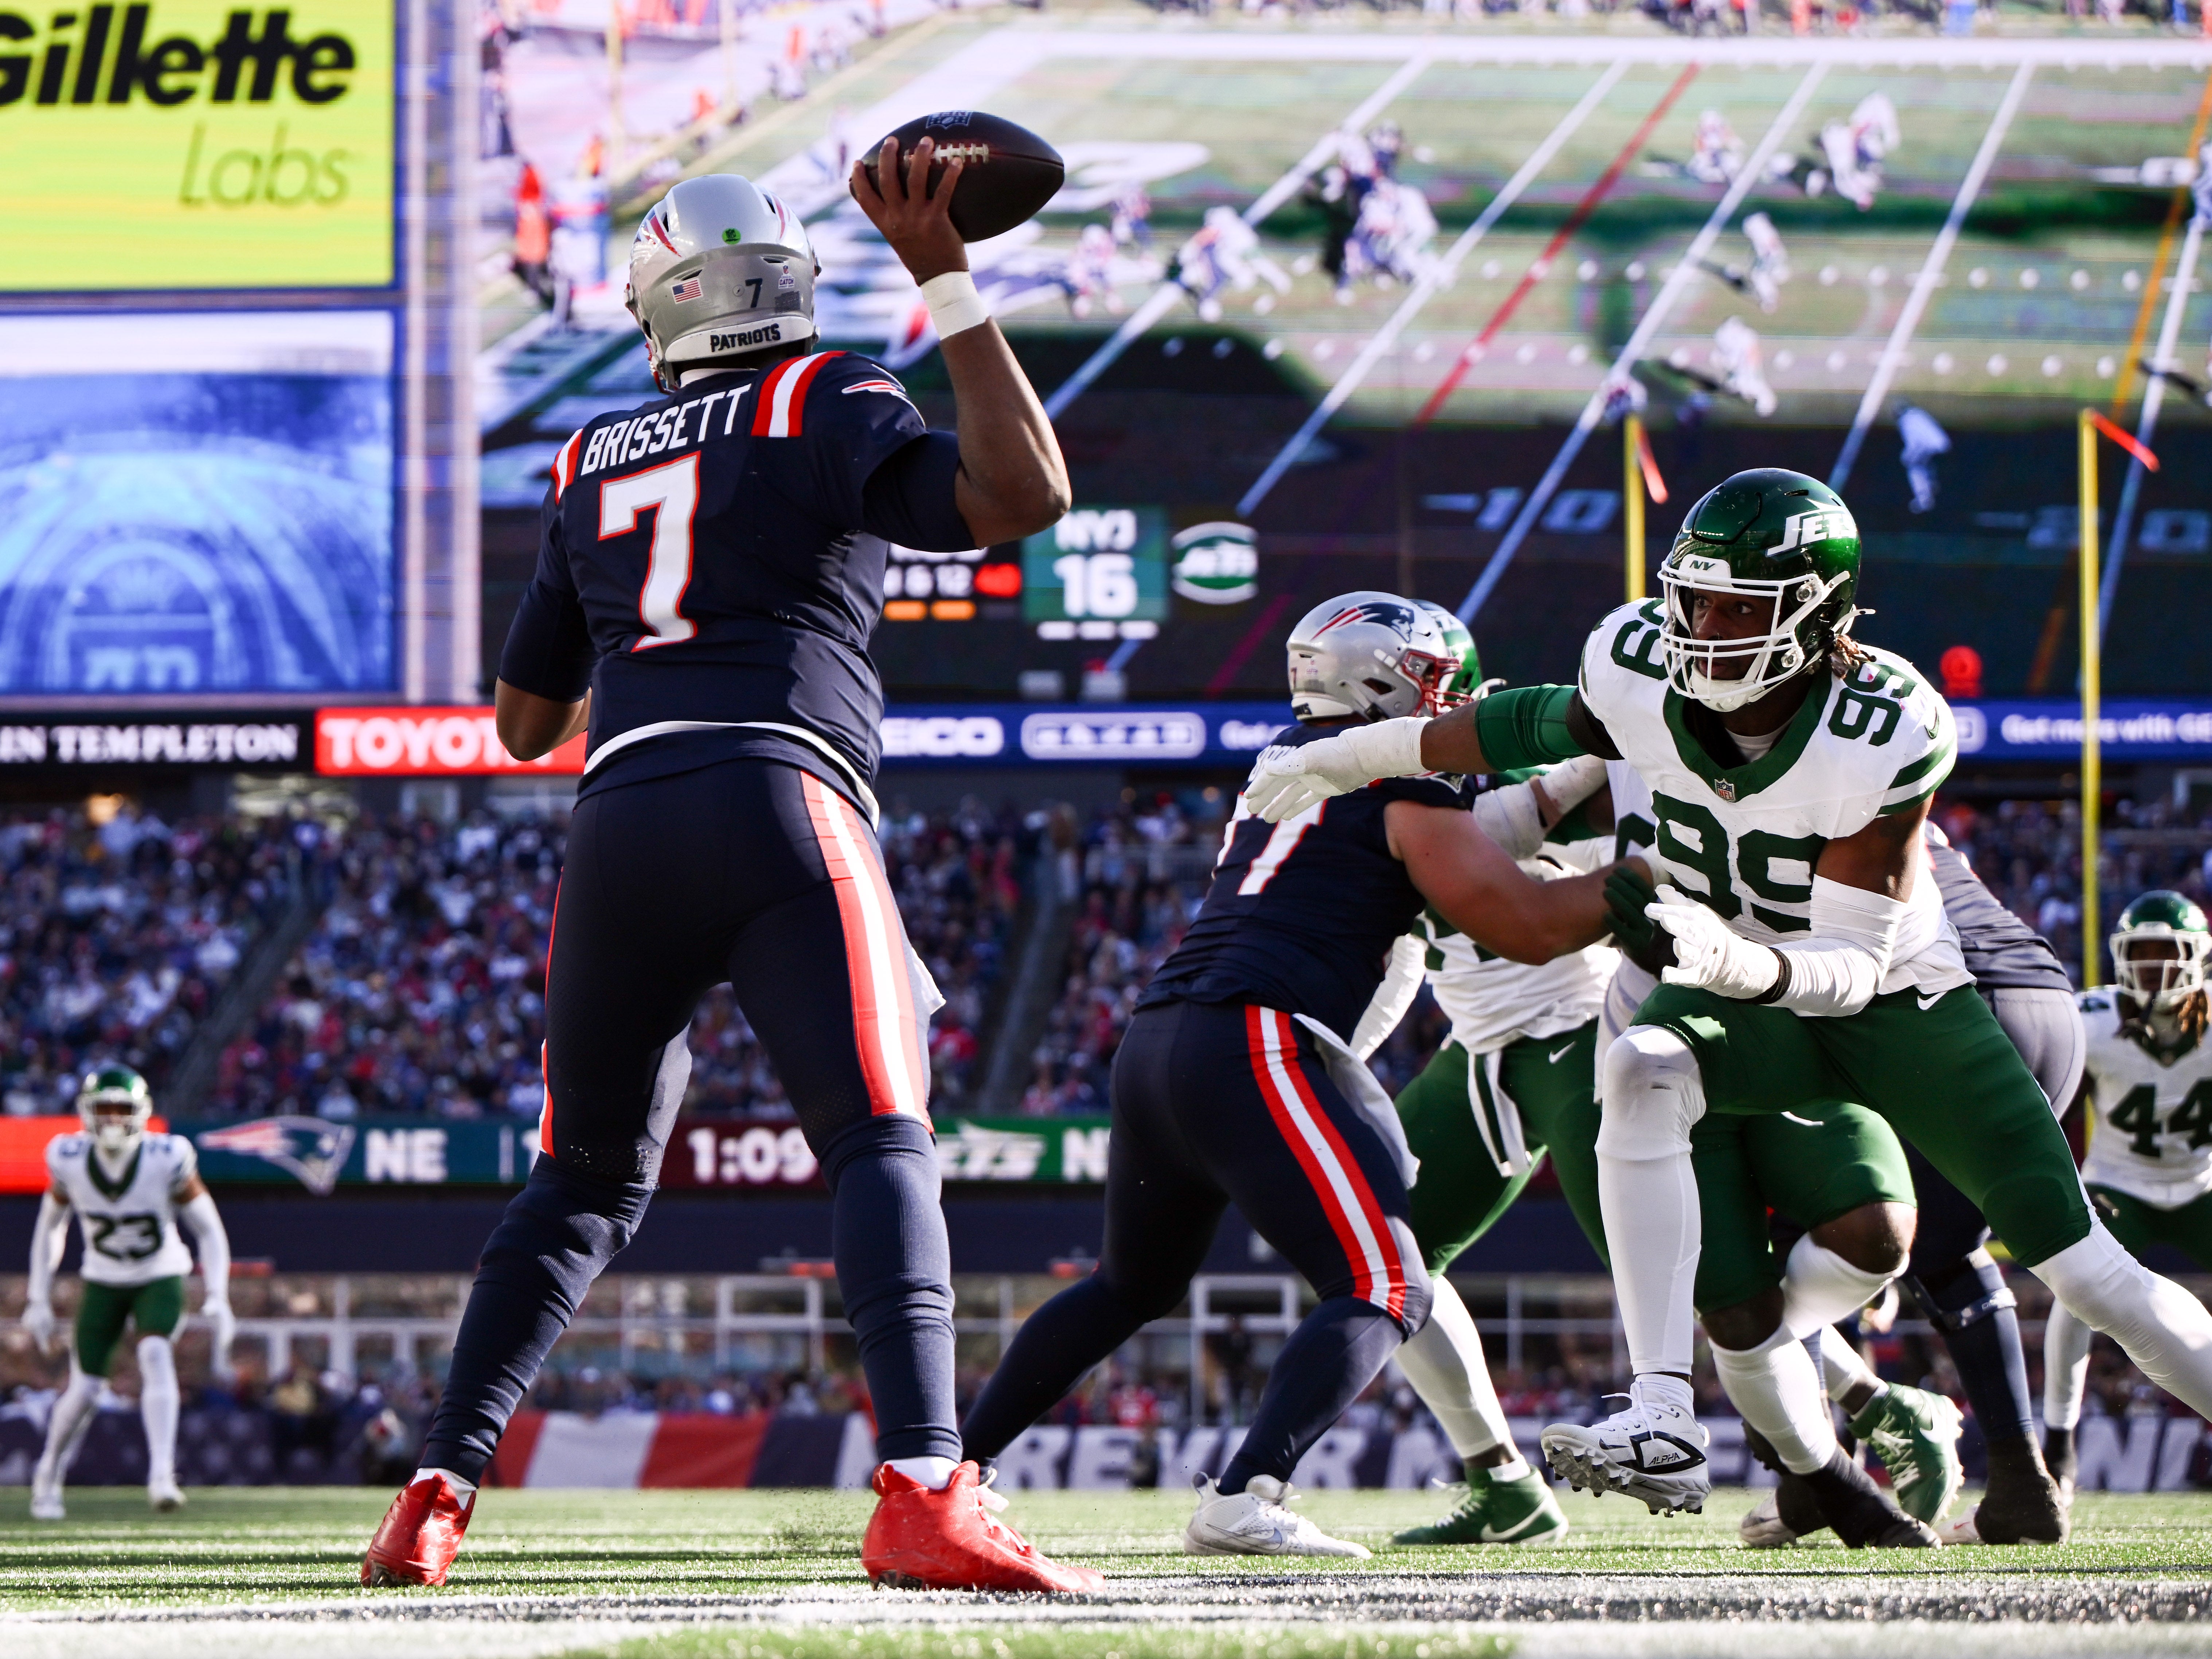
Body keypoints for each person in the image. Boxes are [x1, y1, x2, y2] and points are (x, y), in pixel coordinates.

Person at [361, 140, 1094, 1593]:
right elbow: (1022, 496)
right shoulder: (819, 391)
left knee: (575, 1180)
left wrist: (641, 616)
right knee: (880, 1137)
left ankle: (436, 1487)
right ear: (785, 283)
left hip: (619, 821)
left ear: (659, 305)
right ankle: (927, 1484)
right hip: (779, 791)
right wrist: (944, 270)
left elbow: (520, 726)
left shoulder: (583, 455)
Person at [1243, 467, 2212, 1526]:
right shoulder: (1636, 664)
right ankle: (1660, 1408)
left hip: (1890, 1003)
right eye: (1692, 598)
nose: (1703, 629)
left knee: (2090, 1278)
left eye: (1738, 607)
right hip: (1733, 991)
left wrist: (1729, 960)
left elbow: (1847, 962)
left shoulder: (1882, 724)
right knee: (1640, 1066)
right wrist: (1342, 757)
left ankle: (1880, 1415)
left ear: (1816, 614)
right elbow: (1511, 728)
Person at [958, 592, 1618, 1559]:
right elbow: (1525, 920)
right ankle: (1244, 1493)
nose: (1455, 699)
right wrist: (1652, 877)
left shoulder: (1294, 766)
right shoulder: (1406, 793)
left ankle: (944, 1472)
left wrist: (1572, 781)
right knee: (1388, 1284)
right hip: (1253, 1041)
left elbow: (1492, 823)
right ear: (1386, 681)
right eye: (1438, 682)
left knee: (1125, 1286)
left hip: (1157, 1039)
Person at [2045, 892, 2212, 1505]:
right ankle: (2058, 1445)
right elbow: (2052, 1101)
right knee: (2074, 1291)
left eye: (2166, 953)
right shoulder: (2092, 1017)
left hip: (2201, 1182)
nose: (2152, 968)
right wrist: (2070, 1182)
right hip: (2119, 1183)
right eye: (2140, 954)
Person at [23, 1066, 235, 1521]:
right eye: (105, 1109)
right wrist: (37, 1296)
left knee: (156, 1353)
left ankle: (162, 1474)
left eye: (123, 1109)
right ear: (87, 1113)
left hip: (159, 1273)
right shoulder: (69, 1156)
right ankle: (48, 1472)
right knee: (84, 1390)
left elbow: (209, 1228)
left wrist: (219, 1290)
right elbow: (50, 1227)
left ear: (141, 1113)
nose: (115, 1119)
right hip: (102, 1278)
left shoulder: (167, 1155)